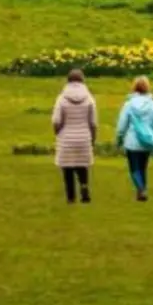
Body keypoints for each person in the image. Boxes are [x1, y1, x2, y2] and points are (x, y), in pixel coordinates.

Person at [51, 69, 97, 204]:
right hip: (83, 136)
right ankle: (84, 187)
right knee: (82, 165)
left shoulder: (61, 99)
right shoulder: (89, 98)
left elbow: (56, 120)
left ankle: (71, 196)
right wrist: (92, 138)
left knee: (67, 167)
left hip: (66, 137)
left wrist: (57, 131)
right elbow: (93, 122)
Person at [115, 76, 153, 202]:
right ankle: (142, 190)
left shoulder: (129, 105)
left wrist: (119, 139)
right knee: (143, 167)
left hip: (132, 141)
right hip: (147, 141)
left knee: (134, 168)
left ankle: (141, 189)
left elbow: (122, 125)